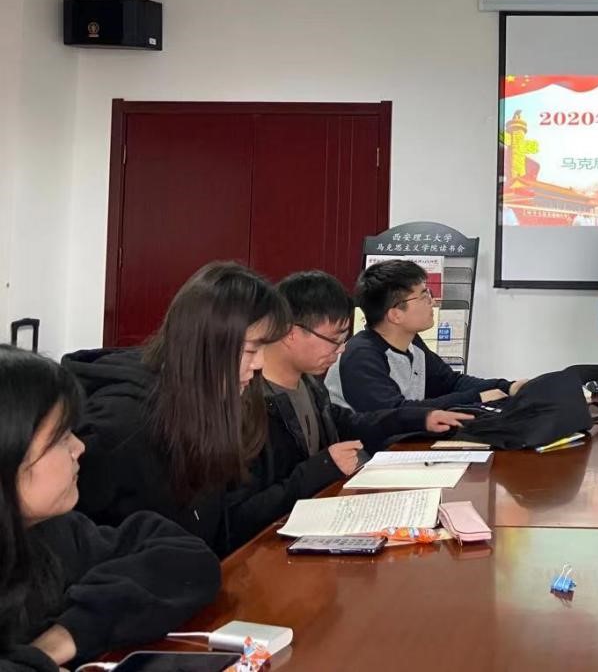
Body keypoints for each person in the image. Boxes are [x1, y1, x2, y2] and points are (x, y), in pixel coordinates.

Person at [0, 346, 219, 672]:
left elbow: (188, 558)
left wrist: (64, 636)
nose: (79, 446)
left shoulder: (53, 530)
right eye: (61, 438)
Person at [65, 261, 292, 555]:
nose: (259, 364)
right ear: (206, 343)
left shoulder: (217, 405)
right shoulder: (120, 426)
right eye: (251, 350)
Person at [247, 271, 475, 520]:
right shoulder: (248, 404)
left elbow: (351, 423)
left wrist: (421, 418)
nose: (341, 349)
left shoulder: (309, 385)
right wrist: (323, 467)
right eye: (333, 339)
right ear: (291, 333)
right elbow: (240, 518)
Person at [325, 260, 523, 412]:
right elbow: (394, 413)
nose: (433, 302)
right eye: (424, 295)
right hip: (363, 452)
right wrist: (476, 398)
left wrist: (509, 387)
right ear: (395, 314)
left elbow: (450, 383)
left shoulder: (412, 344)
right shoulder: (361, 356)